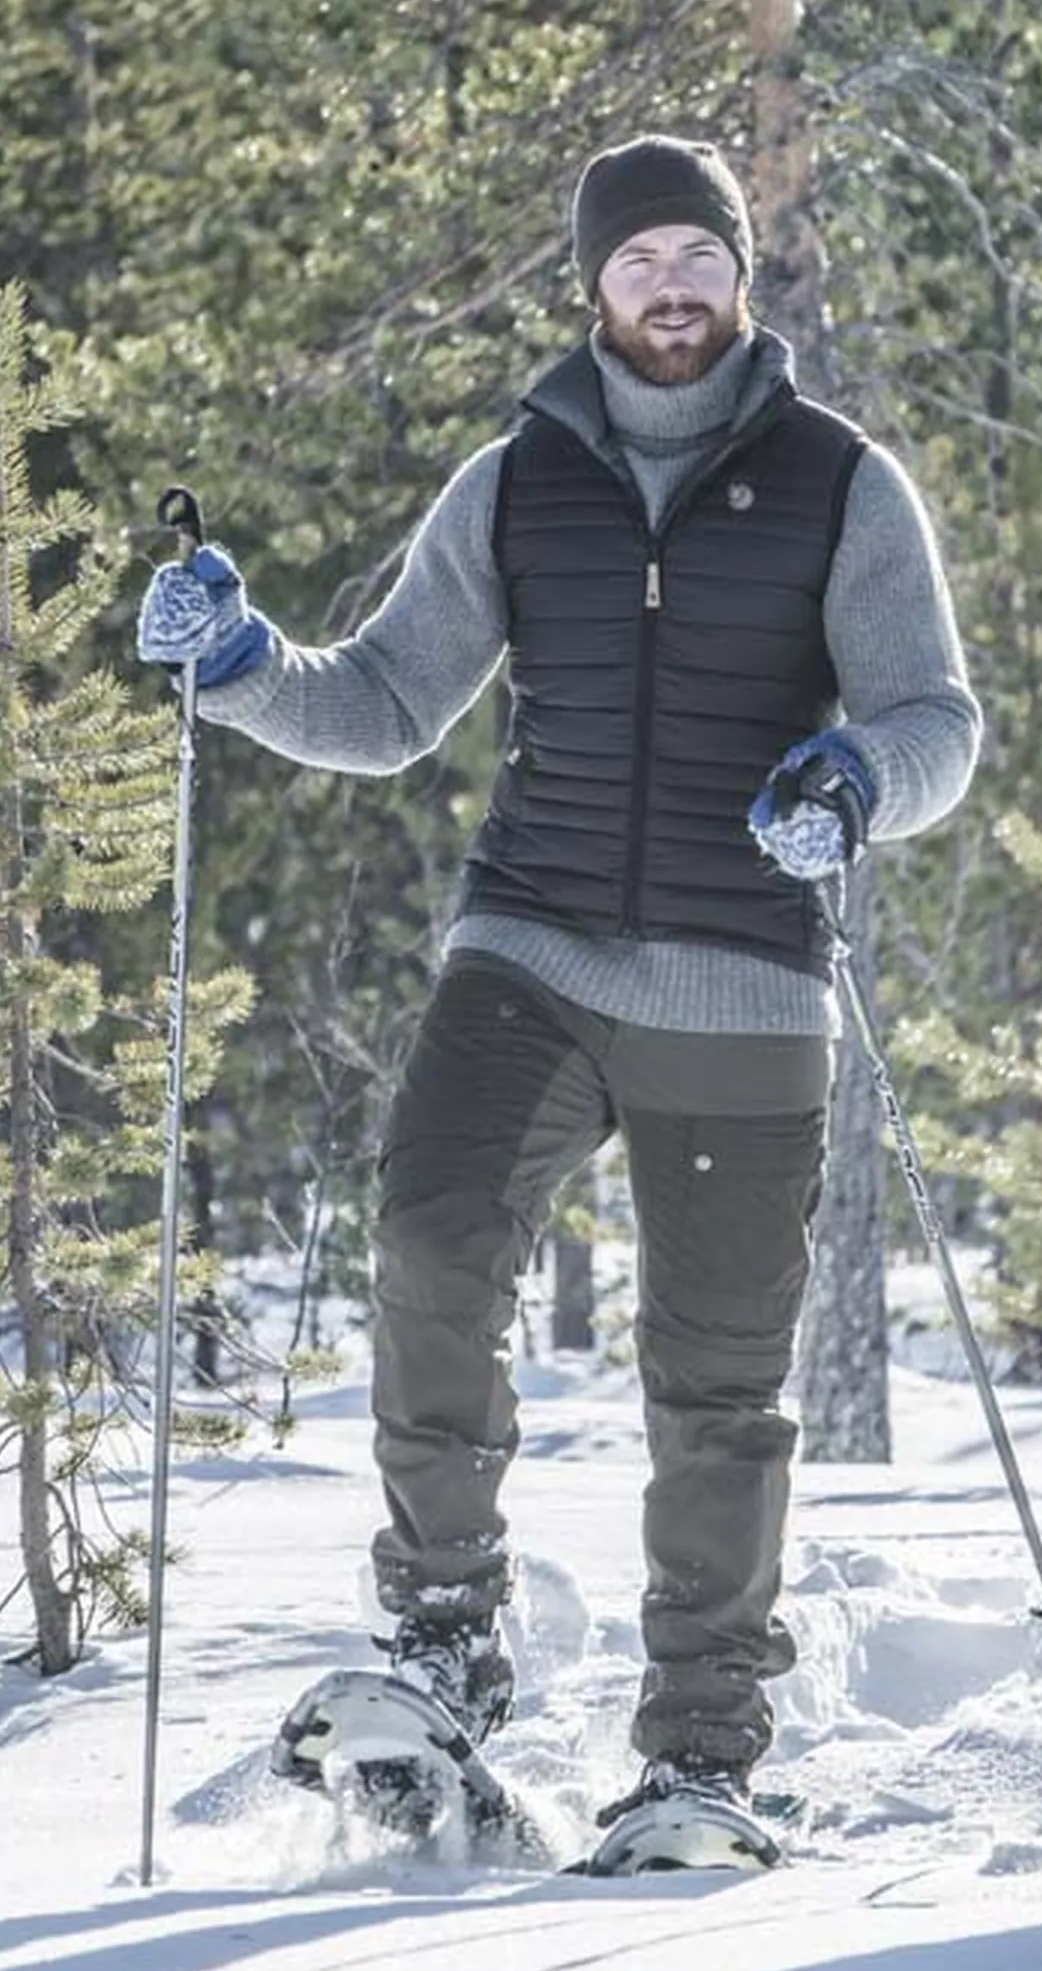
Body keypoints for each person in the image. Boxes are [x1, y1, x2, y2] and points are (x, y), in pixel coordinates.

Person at [135, 133, 982, 1868]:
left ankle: (698, 1754)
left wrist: (856, 780)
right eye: (638, 262)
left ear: (744, 279)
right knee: (434, 1235)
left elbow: (936, 723)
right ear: (589, 287)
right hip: (529, 947)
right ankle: (445, 1637)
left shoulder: (843, 483)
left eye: (699, 259)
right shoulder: (515, 482)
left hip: (744, 979)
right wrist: (235, 671)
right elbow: (380, 702)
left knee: (717, 1384)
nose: (671, 290)